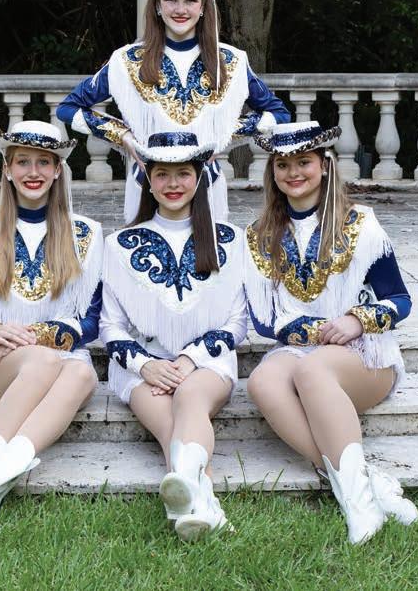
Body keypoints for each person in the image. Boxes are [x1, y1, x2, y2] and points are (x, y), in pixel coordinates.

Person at [242, 121, 418, 545]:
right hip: (299, 348)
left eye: (303, 162)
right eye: (282, 165)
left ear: (324, 165)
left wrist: (357, 320)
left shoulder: (361, 223)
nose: (293, 173)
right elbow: (264, 320)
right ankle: (365, 484)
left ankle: (358, 508)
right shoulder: (259, 236)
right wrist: (317, 330)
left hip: (363, 353)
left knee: (313, 371)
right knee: (262, 381)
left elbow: (400, 300)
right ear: (272, 172)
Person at [0, 120, 103, 529]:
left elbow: (92, 321)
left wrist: (34, 337)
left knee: (84, 374)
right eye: (23, 162)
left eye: (44, 162)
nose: (33, 172)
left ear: (58, 170)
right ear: (7, 169)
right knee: (47, 361)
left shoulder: (87, 233)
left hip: (62, 363)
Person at [56, 0, 290, 222]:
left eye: (190, 0)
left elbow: (279, 113)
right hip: (147, 187)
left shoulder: (231, 60)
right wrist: (123, 137)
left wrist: (224, 135)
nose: (180, 9)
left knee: (209, 250)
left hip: (207, 187)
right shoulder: (127, 60)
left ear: (204, 6)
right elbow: (68, 108)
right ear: (157, 4)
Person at [100, 131, 248, 541]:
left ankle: (187, 493)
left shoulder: (231, 239)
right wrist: (145, 365)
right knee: (170, 426)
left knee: (190, 398)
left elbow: (237, 321)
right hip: (141, 365)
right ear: (147, 180)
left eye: (183, 173)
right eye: (162, 174)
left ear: (199, 178)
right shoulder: (117, 245)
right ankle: (205, 505)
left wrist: (189, 359)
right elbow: (110, 326)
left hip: (209, 361)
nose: (173, 184)